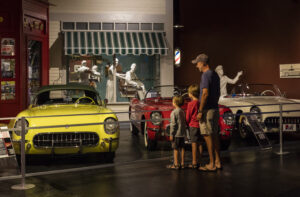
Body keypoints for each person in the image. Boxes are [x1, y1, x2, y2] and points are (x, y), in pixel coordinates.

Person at [192, 53, 221, 171]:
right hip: (215, 108)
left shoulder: (205, 75)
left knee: (207, 135)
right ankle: (218, 161)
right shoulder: (215, 75)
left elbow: (204, 93)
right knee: (214, 135)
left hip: (207, 110)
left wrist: (200, 110)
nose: (196, 66)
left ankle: (212, 164)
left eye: (197, 63)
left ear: (203, 63)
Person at [167, 95, 186, 170]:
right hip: (182, 134)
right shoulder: (182, 111)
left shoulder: (174, 112)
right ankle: (183, 163)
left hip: (176, 135)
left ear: (175, 103)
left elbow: (173, 124)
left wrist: (171, 134)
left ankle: (176, 164)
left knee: (175, 149)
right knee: (182, 148)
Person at [186, 84, 203, 169]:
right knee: (200, 143)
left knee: (193, 144)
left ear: (191, 94)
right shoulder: (200, 103)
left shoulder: (190, 104)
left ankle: (194, 162)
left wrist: (186, 123)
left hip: (193, 126)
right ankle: (200, 161)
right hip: (200, 125)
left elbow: (188, 116)